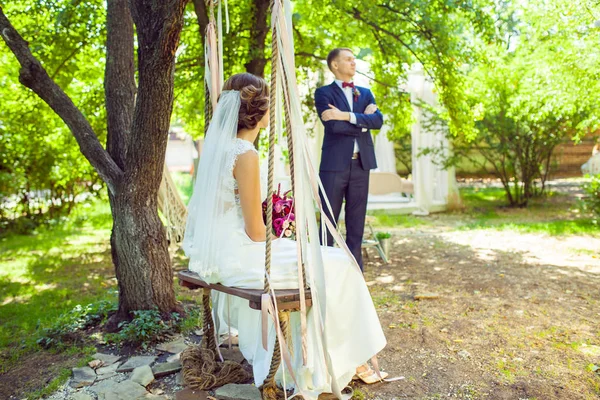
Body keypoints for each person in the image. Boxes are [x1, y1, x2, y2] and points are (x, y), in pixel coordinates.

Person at [183, 73, 387, 399]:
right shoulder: (244, 154)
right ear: (260, 112)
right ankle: (339, 361)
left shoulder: (216, 148)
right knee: (338, 264)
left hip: (218, 249)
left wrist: (281, 235)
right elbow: (254, 231)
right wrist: (282, 235)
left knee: (327, 260)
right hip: (241, 250)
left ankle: (317, 358)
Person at [315, 48, 384, 271]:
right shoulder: (323, 93)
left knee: (356, 222)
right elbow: (333, 126)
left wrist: (346, 116)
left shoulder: (365, 93)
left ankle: (355, 273)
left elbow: (378, 122)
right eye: (348, 59)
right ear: (335, 65)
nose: (354, 63)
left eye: (354, 59)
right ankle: (324, 271)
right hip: (333, 166)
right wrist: (363, 123)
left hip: (361, 165)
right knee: (328, 220)